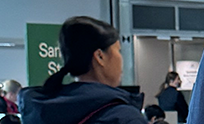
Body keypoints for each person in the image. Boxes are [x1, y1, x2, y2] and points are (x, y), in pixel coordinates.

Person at [18, 16, 146, 124]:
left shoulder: (39, 112)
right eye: (118, 50)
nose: (121, 58)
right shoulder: (123, 117)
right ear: (100, 56)